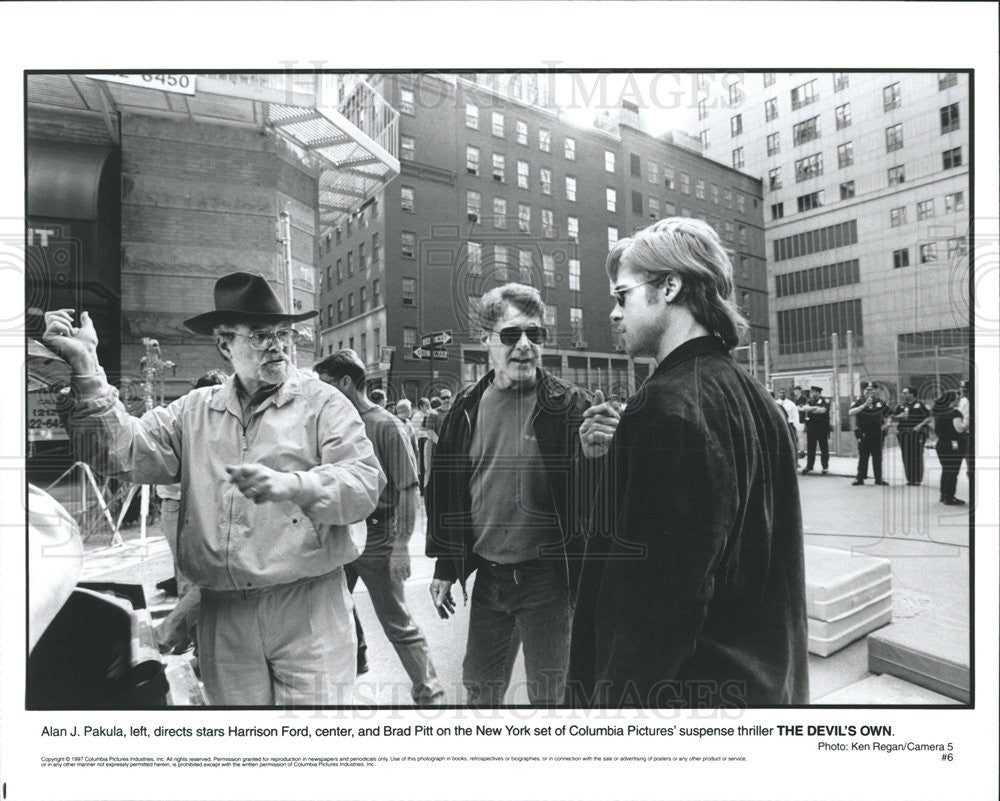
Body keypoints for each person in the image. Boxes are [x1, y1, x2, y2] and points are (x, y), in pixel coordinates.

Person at [43, 272, 384, 705]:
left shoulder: (324, 404)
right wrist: (87, 369)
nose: (277, 346)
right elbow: (120, 452)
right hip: (224, 612)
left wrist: (296, 485)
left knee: (310, 746)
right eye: (261, 336)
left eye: (283, 334)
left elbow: (363, 482)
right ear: (225, 344)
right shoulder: (193, 412)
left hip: (309, 605)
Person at [568, 217, 808, 708]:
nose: (615, 313)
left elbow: (657, 605)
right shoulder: (752, 395)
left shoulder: (667, 406)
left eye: (623, 296)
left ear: (670, 286)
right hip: (760, 682)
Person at [426, 283, 600, 706]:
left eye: (535, 335)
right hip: (489, 580)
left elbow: (595, 499)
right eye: (510, 335)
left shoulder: (571, 406)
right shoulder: (464, 408)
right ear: (486, 339)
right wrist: (447, 565)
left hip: (548, 581)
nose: (524, 346)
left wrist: (600, 457)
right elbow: (448, 492)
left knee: (553, 701)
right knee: (479, 694)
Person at [315, 351, 445, 705]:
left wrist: (402, 546)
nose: (319, 393)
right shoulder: (331, 425)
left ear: (345, 383)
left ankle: (429, 692)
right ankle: (352, 665)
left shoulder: (386, 425)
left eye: (325, 384)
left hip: (378, 537)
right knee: (327, 613)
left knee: (396, 621)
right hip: (340, 533)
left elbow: (407, 489)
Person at [154, 368, 227, 655]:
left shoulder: (182, 417)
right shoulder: (200, 423)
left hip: (174, 506)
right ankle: (181, 638)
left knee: (192, 578)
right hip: (191, 506)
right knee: (205, 578)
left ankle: (185, 639)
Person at [849, 381, 891, 486]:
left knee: (877, 457)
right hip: (864, 432)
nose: (869, 392)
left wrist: (888, 423)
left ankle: (878, 479)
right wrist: (864, 405)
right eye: (867, 390)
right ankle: (860, 478)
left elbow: (889, 414)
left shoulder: (880, 402)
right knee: (863, 456)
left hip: (877, 432)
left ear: (876, 391)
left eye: (872, 390)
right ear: (864, 391)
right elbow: (851, 413)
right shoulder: (859, 401)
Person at [891, 386, 932, 486]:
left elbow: (929, 417)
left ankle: (917, 479)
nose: (903, 394)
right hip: (904, 433)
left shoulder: (921, 405)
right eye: (903, 393)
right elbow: (892, 418)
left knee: (917, 455)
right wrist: (898, 418)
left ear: (912, 394)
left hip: (918, 433)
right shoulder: (900, 406)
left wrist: (920, 425)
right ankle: (910, 478)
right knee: (906, 455)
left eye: (905, 393)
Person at [932, 390, 967, 505]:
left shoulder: (939, 412)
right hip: (954, 444)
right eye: (957, 399)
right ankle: (950, 497)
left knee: (946, 470)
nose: (959, 401)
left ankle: (944, 495)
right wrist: (968, 422)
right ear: (952, 400)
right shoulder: (954, 413)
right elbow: (959, 428)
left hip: (942, 444)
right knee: (953, 471)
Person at [799, 386, 831, 475]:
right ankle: (809, 466)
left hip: (822, 428)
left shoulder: (825, 401)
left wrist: (811, 408)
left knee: (824, 448)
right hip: (811, 428)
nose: (811, 394)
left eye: (813, 392)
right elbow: (803, 409)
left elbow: (822, 411)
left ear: (818, 392)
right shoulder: (810, 401)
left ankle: (825, 467)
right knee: (810, 448)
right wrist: (815, 407)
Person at [775, 389, 801, 462]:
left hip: (790, 425)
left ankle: (795, 460)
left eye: (783, 393)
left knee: (793, 442)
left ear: (786, 394)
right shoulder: (776, 403)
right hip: (780, 426)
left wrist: (796, 425)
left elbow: (795, 415)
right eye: (780, 393)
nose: (782, 394)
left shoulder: (791, 404)